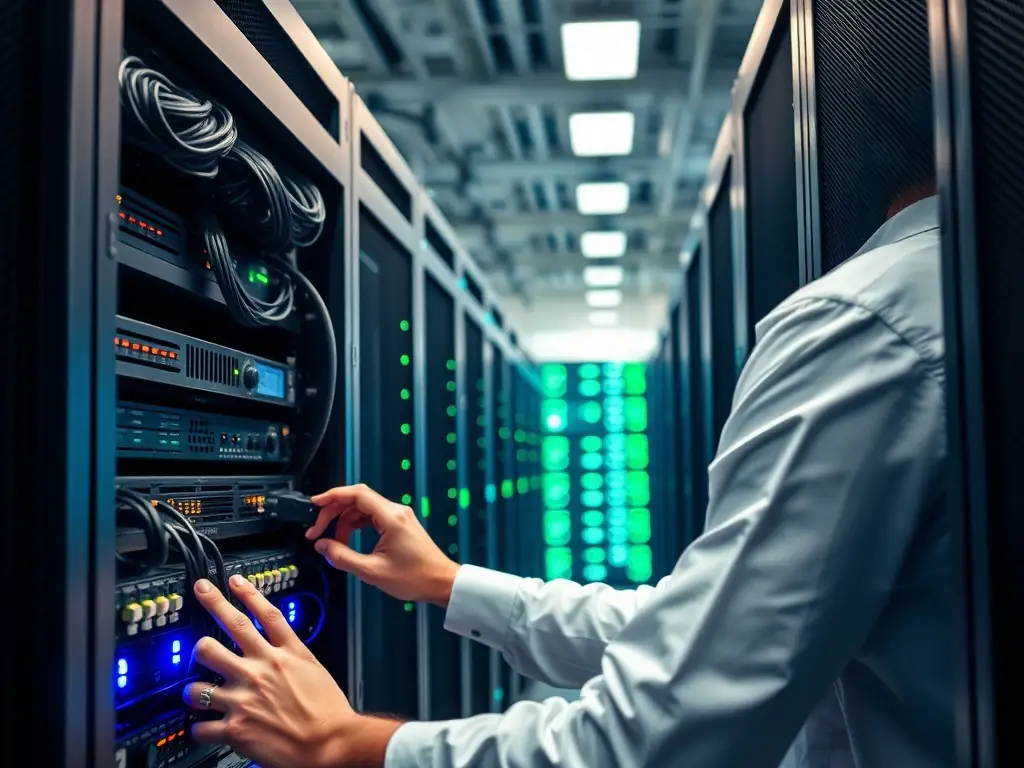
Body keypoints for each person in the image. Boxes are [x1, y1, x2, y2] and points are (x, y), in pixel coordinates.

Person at [181, 183, 950, 767]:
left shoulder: (869, 319)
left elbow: (665, 733)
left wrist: (343, 741)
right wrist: (450, 582)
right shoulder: (948, 298)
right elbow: (707, 635)